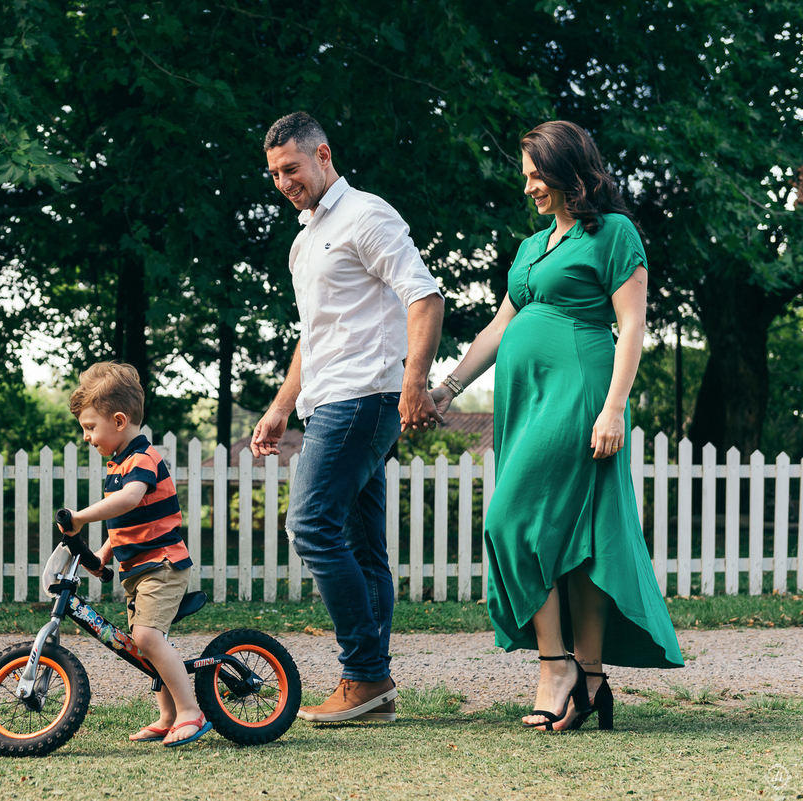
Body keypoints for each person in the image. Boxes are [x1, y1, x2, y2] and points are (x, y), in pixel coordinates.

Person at [430, 120, 684, 731]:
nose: (528, 189)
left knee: (510, 518)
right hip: (527, 399)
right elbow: (497, 328)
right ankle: (590, 679)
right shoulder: (532, 246)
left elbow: (633, 328)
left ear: (571, 170)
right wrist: (446, 388)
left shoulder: (614, 233)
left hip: (580, 391)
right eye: (525, 178)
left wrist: (614, 408)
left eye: (536, 176)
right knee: (574, 538)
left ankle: (555, 666)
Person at [251, 112, 445, 723]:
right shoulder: (305, 239)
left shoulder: (367, 214)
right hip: (329, 399)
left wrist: (414, 383)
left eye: (292, 168)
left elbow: (424, 296)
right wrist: (282, 407)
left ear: (323, 155)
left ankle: (365, 673)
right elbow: (316, 334)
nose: (284, 182)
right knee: (362, 548)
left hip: (366, 397)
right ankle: (374, 690)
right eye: (274, 173)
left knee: (310, 526)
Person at [57, 361, 207, 747]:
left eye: (90, 427)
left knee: (146, 637)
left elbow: (129, 500)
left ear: (119, 421)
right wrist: (102, 555)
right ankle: (168, 715)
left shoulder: (142, 460)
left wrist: (80, 518)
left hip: (163, 565)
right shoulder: (117, 464)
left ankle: (191, 711)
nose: (87, 437)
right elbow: (124, 522)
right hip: (137, 569)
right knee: (144, 644)